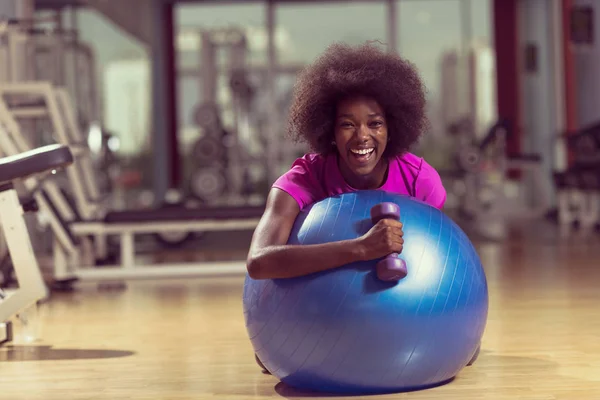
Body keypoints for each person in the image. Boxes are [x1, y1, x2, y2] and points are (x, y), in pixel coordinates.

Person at [246, 41, 446, 284]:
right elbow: (258, 261)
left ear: (391, 129)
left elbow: (439, 259)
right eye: (347, 124)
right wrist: (361, 248)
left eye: (375, 124)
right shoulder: (304, 179)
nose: (362, 136)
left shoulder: (419, 181)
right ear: (330, 131)